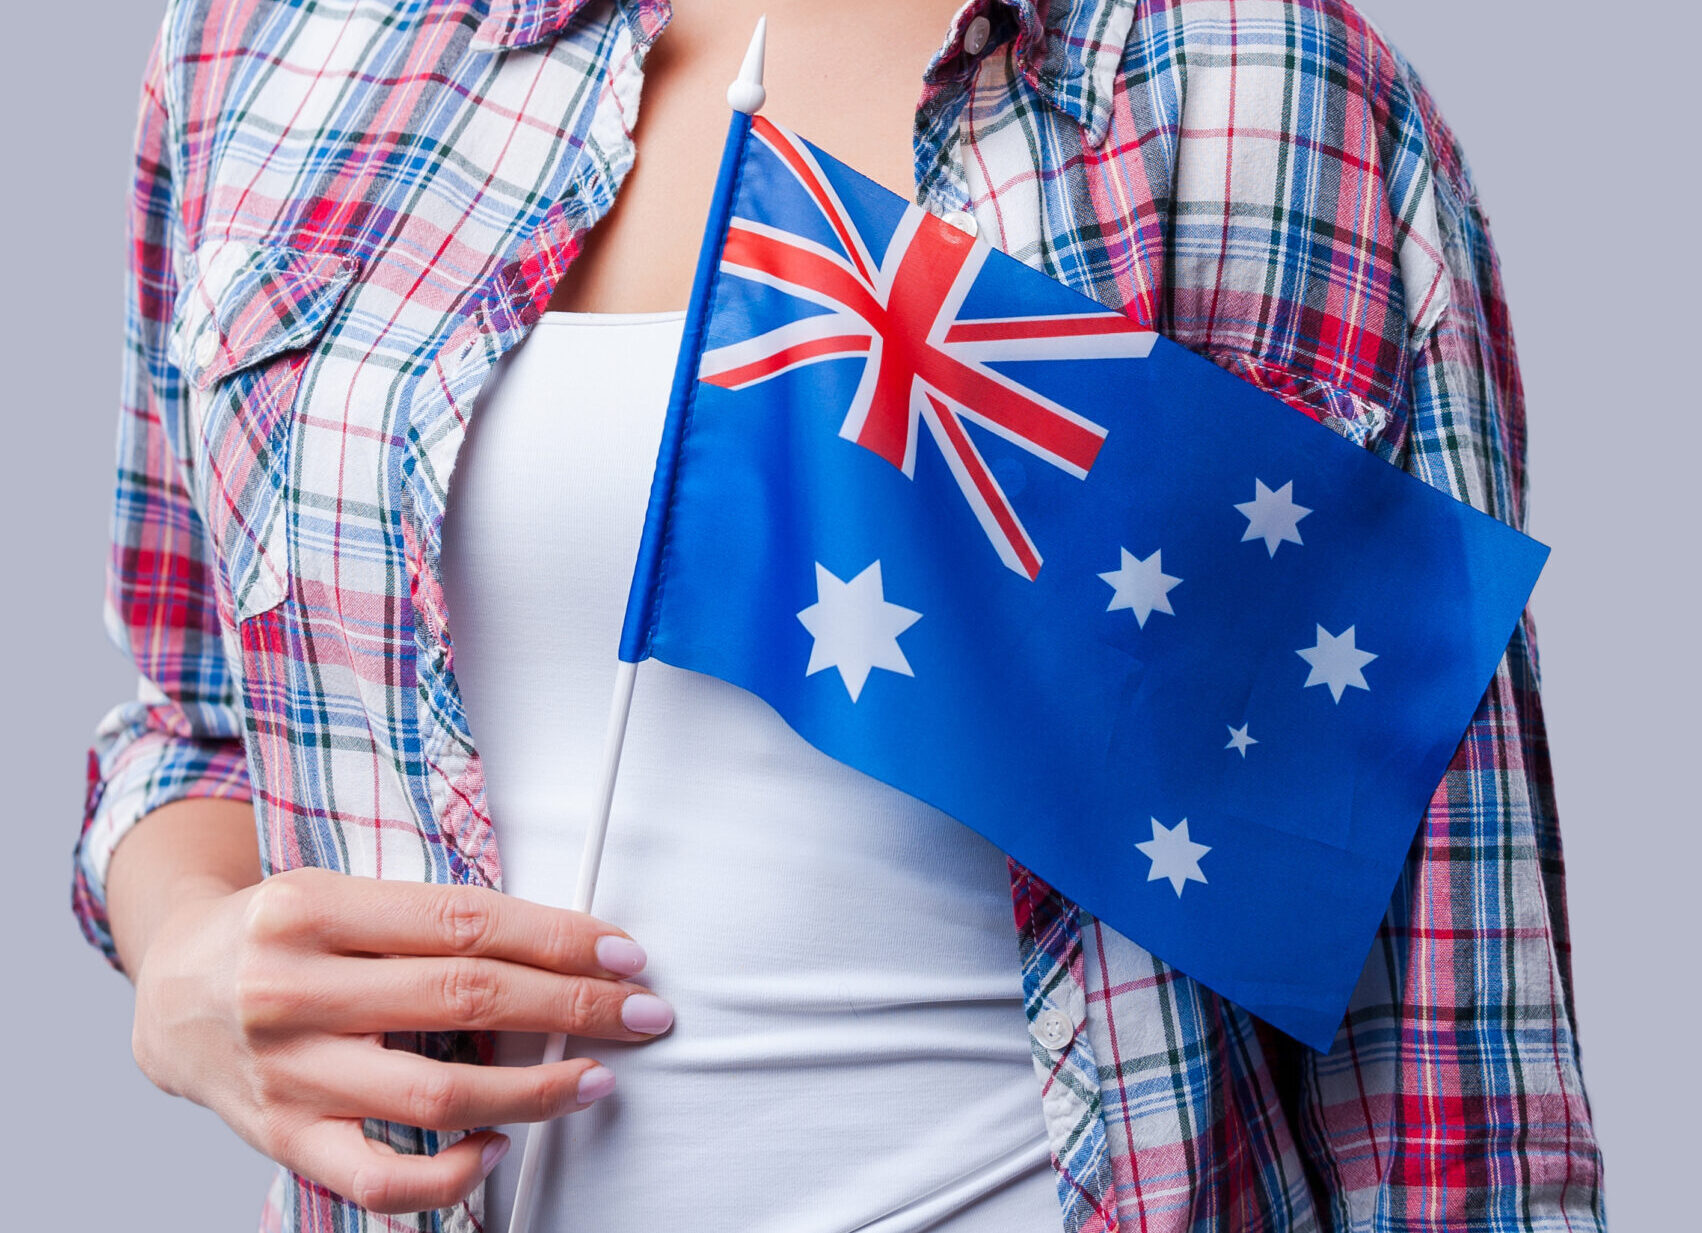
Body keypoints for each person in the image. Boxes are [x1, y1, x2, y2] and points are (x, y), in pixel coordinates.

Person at [76, 1, 1607, 1230]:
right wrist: (192, 958)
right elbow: (193, 721)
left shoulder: (1260, 84)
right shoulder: (268, 46)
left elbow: (1447, 1040)